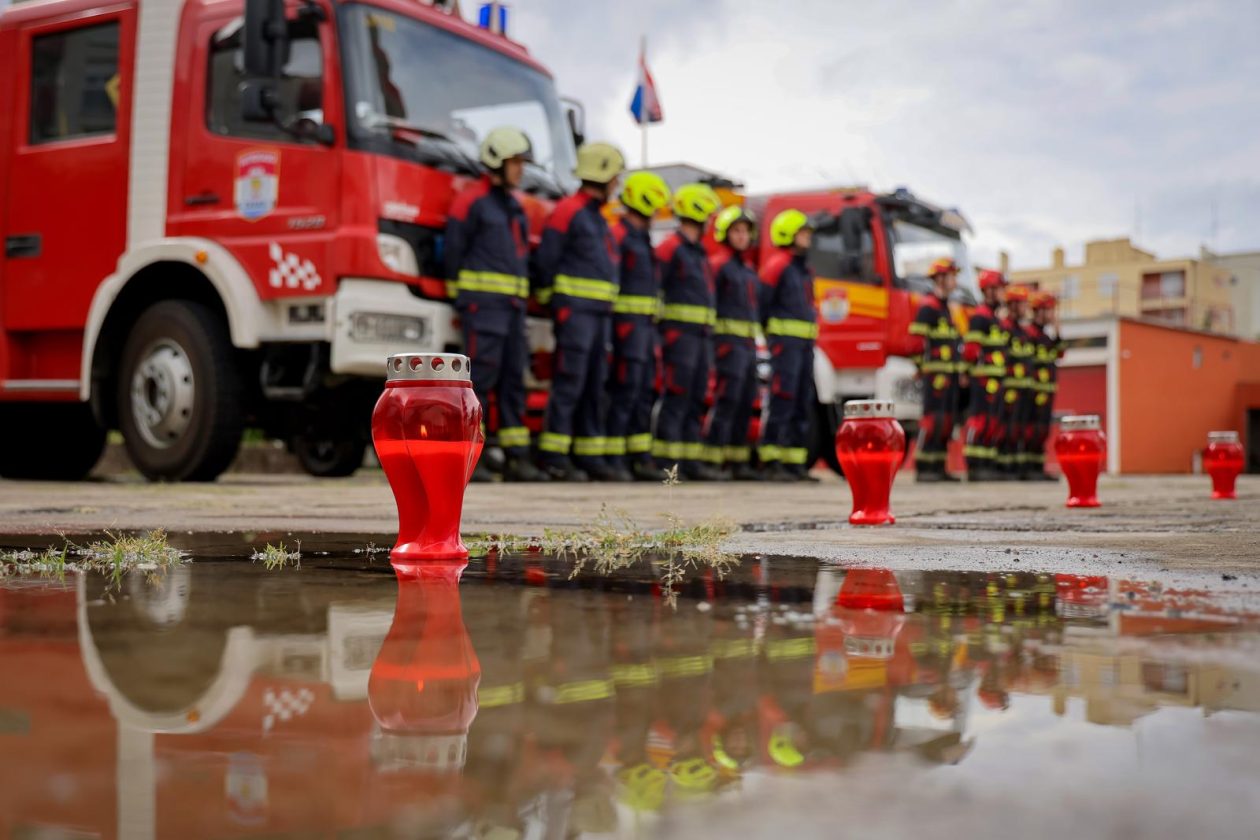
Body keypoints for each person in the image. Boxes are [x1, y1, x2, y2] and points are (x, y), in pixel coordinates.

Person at [444, 126, 547, 482]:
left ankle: (518, 459)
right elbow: (453, 251)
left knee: (513, 384)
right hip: (483, 309)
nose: (521, 169)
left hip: (512, 311)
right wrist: (462, 298)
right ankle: (474, 458)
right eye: (515, 162)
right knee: (480, 385)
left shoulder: (515, 208)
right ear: (496, 162)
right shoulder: (472, 202)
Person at [534, 142, 627, 481]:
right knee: (570, 383)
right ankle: (554, 457)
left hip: (597, 316)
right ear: (601, 174)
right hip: (575, 314)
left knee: (593, 385)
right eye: (614, 177)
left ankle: (588, 456)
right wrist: (552, 300)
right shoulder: (569, 211)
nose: (617, 184)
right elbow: (547, 258)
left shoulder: (596, 216)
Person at [653, 183, 724, 481]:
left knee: (696, 397)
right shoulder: (671, 248)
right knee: (677, 396)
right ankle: (667, 462)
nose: (710, 220)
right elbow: (656, 290)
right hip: (679, 337)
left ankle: (690, 462)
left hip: (700, 337)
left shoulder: (699, 252)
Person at [607, 172, 671, 481]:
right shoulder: (620, 235)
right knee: (625, 391)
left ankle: (639, 456)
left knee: (645, 391)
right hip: (627, 330)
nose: (656, 214)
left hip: (645, 331)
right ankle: (616, 457)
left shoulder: (642, 239)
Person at [758, 209, 818, 482]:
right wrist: (772, 337)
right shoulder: (777, 266)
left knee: (802, 401)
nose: (808, 238)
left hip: (804, 345)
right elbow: (762, 304)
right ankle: (771, 461)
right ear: (788, 234)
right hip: (785, 345)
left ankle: (795, 463)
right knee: (782, 398)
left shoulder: (804, 270)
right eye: (803, 233)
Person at [702, 206, 762, 480]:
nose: (742, 236)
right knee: (726, 399)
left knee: (746, 400)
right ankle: (712, 459)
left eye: (746, 231)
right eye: (737, 231)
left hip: (747, 346)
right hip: (727, 344)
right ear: (726, 234)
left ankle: (738, 462)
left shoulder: (748, 269)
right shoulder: (719, 266)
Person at [907, 257, 962, 482]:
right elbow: (915, 343)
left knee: (946, 421)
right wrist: (922, 368)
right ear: (940, 278)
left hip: (949, 376)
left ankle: (938, 467)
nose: (954, 281)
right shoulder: (928, 307)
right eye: (951, 276)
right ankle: (924, 467)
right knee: (932, 421)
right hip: (935, 376)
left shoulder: (945, 308)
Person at [962, 270, 1009, 481]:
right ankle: (975, 466)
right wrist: (968, 372)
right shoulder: (980, 316)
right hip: (982, 380)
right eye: (999, 289)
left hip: (995, 379)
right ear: (988, 290)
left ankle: (987, 465)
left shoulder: (994, 318)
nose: (1002, 293)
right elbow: (971, 350)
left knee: (993, 422)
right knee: (980, 421)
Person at [1025, 292, 1065, 481]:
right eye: (1050, 310)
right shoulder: (1029, 334)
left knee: (1042, 430)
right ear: (1039, 311)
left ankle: (1038, 467)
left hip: (1046, 390)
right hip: (1033, 392)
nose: (1053, 315)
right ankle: (1028, 468)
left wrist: (1058, 334)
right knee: (1032, 428)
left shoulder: (1046, 337)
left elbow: (1060, 355)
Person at [997, 285, 1035, 479]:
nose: (1025, 308)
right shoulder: (1005, 328)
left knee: (1020, 428)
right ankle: (1005, 468)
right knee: (1007, 428)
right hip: (1009, 387)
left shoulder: (1023, 331)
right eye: (1022, 304)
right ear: (1012, 305)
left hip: (1023, 388)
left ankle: (1017, 468)